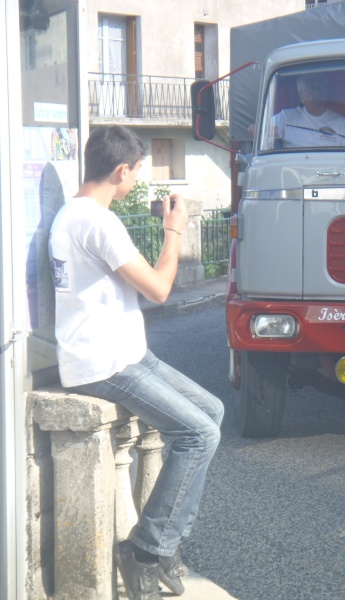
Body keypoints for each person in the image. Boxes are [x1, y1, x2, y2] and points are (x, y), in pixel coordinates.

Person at [48, 125, 224, 600]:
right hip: (105, 365)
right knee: (198, 434)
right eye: (136, 173)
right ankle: (146, 551)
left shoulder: (77, 215)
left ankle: (165, 545)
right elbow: (160, 289)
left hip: (128, 353)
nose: (135, 182)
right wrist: (173, 231)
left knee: (213, 412)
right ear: (121, 170)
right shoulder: (97, 222)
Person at [269, 73, 345, 148]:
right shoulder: (286, 117)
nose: (317, 92)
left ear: (326, 92)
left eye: (320, 88)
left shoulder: (341, 123)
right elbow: (262, 132)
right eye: (312, 88)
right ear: (302, 96)